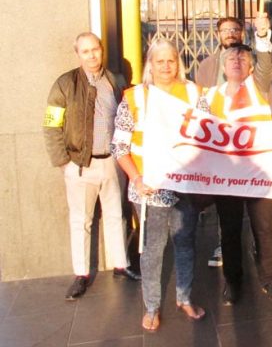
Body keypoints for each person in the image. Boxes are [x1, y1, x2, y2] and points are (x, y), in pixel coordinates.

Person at [112, 38, 206, 332]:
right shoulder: (135, 97)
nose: (166, 66)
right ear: (150, 65)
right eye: (160, 61)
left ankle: (184, 297)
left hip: (185, 186)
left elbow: (209, 135)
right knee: (152, 250)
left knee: (185, 243)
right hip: (148, 188)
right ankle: (152, 306)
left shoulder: (193, 92)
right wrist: (137, 179)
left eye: (171, 60)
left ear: (179, 62)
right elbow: (120, 146)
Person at [43, 32, 140, 301]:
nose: (92, 55)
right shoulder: (64, 84)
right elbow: (51, 125)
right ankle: (81, 274)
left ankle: (121, 265)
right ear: (78, 54)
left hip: (112, 162)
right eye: (85, 51)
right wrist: (63, 162)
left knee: (115, 215)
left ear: (101, 50)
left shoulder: (115, 80)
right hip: (79, 164)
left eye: (95, 49)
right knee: (81, 220)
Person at [204, 14, 272, 304]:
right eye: (231, 60)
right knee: (231, 230)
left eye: (242, 59)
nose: (236, 62)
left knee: (263, 229)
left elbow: (264, 57)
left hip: (259, 172)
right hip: (227, 176)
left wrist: (262, 34)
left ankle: (269, 278)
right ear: (223, 67)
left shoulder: (260, 85)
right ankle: (233, 282)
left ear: (250, 66)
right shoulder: (211, 96)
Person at [196, 17, 245, 268]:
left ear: (242, 33)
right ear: (217, 35)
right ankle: (221, 243)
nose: (230, 34)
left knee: (255, 193)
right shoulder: (206, 66)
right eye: (225, 31)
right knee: (223, 196)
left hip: (250, 139)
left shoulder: (252, 60)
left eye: (234, 30)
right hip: (220, 141)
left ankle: (260, 243)